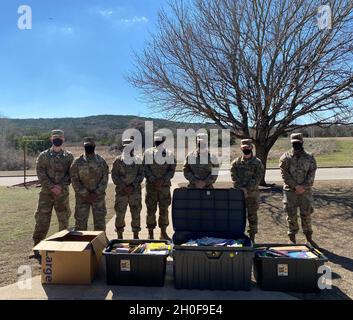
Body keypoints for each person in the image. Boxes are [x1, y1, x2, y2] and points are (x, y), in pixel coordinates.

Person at [33, 130, 74, 250]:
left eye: (60, 137)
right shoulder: (43, 155)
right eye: (55, 137)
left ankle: (62, 245)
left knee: (64, 220)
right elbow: (40, 172)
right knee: (42, 219)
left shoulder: (69, 156)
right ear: (51, 139)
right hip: (46, 194)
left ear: (63, 139)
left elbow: (71, 174)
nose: (57, 139)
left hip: (62, 194)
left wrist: (60, 186)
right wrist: (51, 186)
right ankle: (37, 246)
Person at [279, 133, 318, 247]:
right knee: (291, 215)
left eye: (298, 142)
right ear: (291, 143)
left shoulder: (310, 157)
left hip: (305, 192)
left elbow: (312, 173)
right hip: (290, 192)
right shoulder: (285, 157)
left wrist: (303, 187)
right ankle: (292, 238)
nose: (296, 144)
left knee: (306, 214)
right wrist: (295, 186)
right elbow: (284, 174)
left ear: (302, 142)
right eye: (294, 143)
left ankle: (309, 239)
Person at [70, 137, 109, 231]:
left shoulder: (101, 161)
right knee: (80, 224)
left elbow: (105, 178)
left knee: (100, 224)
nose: (89, 147)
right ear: (83, 146)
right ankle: (82, 244)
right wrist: (86, 194)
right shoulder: (77, 162)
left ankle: (100, 244)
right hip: (82, 198)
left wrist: (96, 193)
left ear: (94, 146)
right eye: (87, 146)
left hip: (98, 198)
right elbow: (74, 180)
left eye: (90, 146)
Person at [143, 135, 176, 240]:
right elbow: (145, 168)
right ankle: (150, 233)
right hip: (151, 187)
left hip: (164, 188)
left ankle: (163, 233)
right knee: (150, 211)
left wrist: (163, 180)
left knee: (164, 210)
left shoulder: (169, 154)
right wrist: (153, 179)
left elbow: (172, 170)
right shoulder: (147, 153)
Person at [230, 139, 264, 243]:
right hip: (239, 196)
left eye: (248, 147)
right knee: (238, 218)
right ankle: (239, 238)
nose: (246, 149)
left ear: (251, 148)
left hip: (252, 195)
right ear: (241, 148)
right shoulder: (236, 163)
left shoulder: (257, 163)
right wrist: (241, 189)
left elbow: (258, 178)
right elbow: (233, 177)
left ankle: (252, 239)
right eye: (244, 147)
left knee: (252, 217)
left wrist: (247, 189)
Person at [112, 138, 144, 239]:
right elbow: (114, 176)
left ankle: (136, 236)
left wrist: (132, 185)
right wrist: (124, 186)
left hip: (135, 193)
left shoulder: (138, 160)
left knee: (136, 213)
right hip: (122, 193)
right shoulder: (117, 161)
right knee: (120, 214)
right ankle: (119, 236)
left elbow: (141, 175)